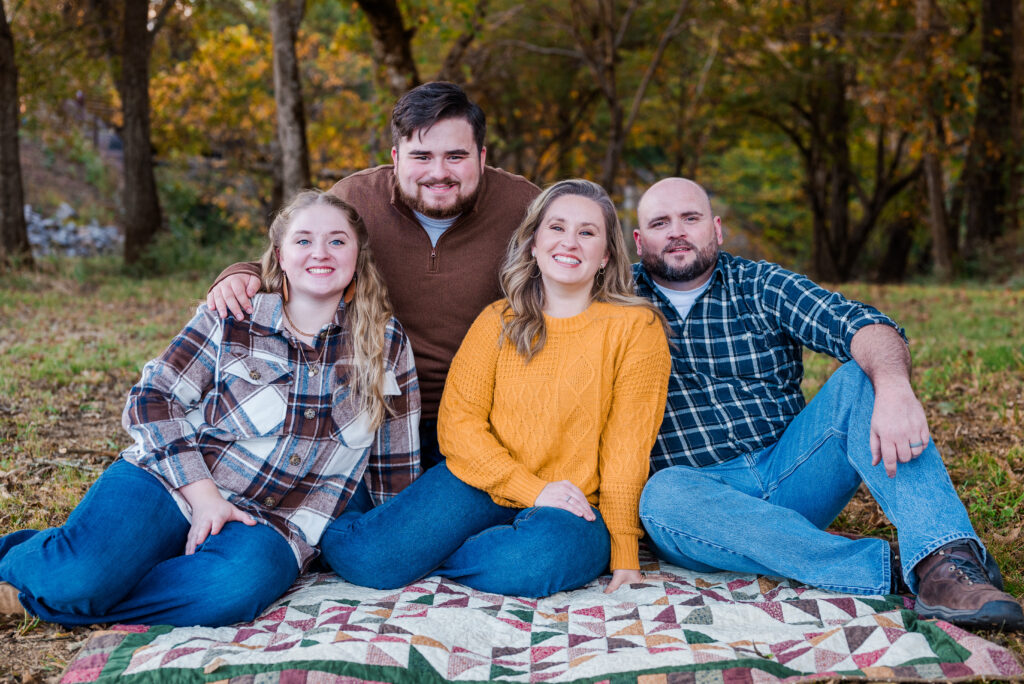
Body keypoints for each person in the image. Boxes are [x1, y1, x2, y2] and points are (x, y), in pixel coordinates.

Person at [0, 191, 420, 627]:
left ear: (357, 255)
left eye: (337, 241)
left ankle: (65, 593)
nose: (320, 253)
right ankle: (44, 565)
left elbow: (394, 464)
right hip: (175, 479)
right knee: (76, 578)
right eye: (303, 241)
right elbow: (153, 398)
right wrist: (205, 499)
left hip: (276, 522)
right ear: (279, 254)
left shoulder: (385, 344)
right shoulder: (234, 316)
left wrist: (397, 544)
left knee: (228, 591)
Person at [632, 177, 1024, 631]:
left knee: (863, 377)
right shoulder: (617, 302)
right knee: (661, 495)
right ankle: (891, 567)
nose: (677, 231)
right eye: (661, 223)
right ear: (640, 241)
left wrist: (894, 387)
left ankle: (944, 561)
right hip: (702, 504)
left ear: (716, 229)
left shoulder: (760, 284)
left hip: (793, 470)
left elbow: (859, 324)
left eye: (690, 218)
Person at [316, 179, 671, 597]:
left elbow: (626, 449)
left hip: (574, 505)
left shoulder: (636, 328)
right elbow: (457, 426)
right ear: (534, 244)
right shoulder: (498, 320)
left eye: (587, 232)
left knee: (533, 561)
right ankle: (316, 519)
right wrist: (532, 489)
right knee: (369, 559)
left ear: (606, 254)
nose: (570, 242)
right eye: (556, 228)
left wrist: (626, 552)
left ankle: (434, 556)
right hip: (481, 480)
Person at [208, 82, 540, 469]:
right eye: (421, 156)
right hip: (369, 408)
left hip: (485, 414)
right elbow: (303, 257)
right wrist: (239, 274)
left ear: (481, 157)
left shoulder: (524, 206)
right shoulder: (355, 198)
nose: (438, 172)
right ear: (396, 157)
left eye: (455, 156)